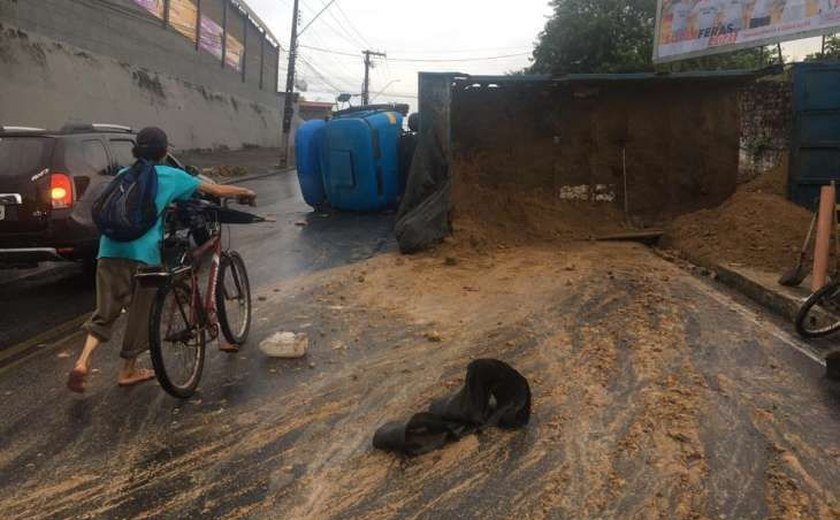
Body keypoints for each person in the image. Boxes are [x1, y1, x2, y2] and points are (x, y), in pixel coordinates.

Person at [67, 127, 256, 393]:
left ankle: (82, 362)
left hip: (109, 250)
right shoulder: (171, 175)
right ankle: (128, 370)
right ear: (165, 151)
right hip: (143, 254)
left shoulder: (124, 174)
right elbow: (216, 190)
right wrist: (245, 191)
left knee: (105, 311)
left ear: (136, 150)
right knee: (141, 313)